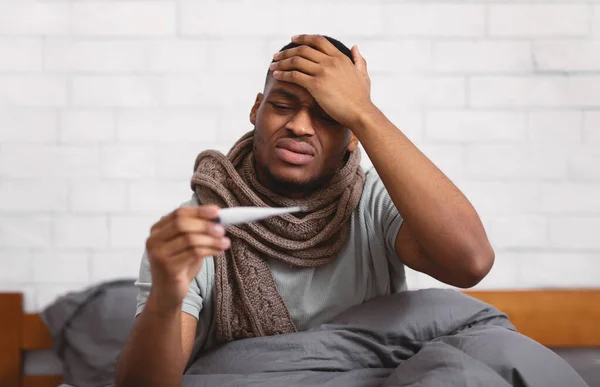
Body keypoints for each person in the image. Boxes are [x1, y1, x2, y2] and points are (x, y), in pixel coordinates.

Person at [115, 34, 495, 387]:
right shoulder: (196, 232)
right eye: (282, 106)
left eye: (330, 117)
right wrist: (166, 295)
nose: (299, 126)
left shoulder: (375, 203)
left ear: (353, 135)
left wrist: (364, 112)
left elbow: (470, 262)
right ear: (256, 109)